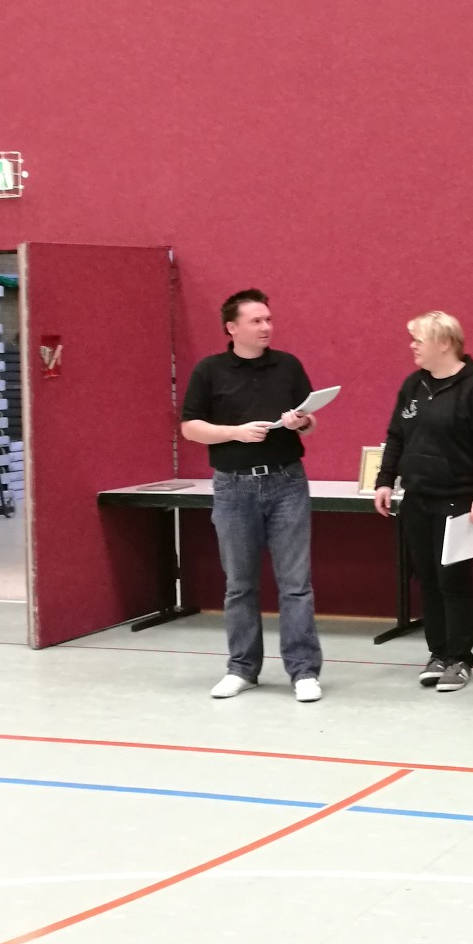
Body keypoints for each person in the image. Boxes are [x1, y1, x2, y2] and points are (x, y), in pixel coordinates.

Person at [178, 289, 324, 702]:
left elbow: (311, 422)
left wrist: (301, 422)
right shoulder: (209, 370)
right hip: (233, 486)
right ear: (232, 327)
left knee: (295, 583)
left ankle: (303, 671)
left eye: (268, 319)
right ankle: (242, 668)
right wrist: (235, 433)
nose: (266, 327)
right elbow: (190, 427)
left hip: (287, 482)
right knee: (240, 583)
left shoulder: (288, 365)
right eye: (256, 321)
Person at [372, 312, 473, 692]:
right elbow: (396, 436)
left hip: (460, 502)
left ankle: (459, 659)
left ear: (445, 343)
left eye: (419, 340)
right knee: (429, 580)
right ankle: (437, 653)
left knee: (453, 580)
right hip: (417, 500)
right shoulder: (413, 385)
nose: (412, 346)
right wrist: (385, 481)